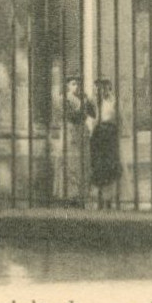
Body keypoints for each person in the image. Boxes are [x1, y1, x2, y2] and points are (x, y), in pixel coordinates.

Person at [55, 76, 94, 206]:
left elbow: (93, 113)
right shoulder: (63, 98)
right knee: (69, 162)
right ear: (67, 85)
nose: (76, 86)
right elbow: (70, 116)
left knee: (81, 162)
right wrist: (81, 109)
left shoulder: (84, 97)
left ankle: (81, 194)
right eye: (73, 84)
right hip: (70, 132)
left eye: (78, 84)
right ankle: (69, 194)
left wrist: (89, 101)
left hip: (82, 132)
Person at [89, 78, 121, 208]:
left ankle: (108, 199)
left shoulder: (113, 102)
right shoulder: (95, 103)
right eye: (98, 89)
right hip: (98, 135)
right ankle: (100, 198)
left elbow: (118, 119)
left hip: (109, 135)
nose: (101, 91)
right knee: (98, 166)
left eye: (104, 88)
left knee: (109, 165)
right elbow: (94, 119)